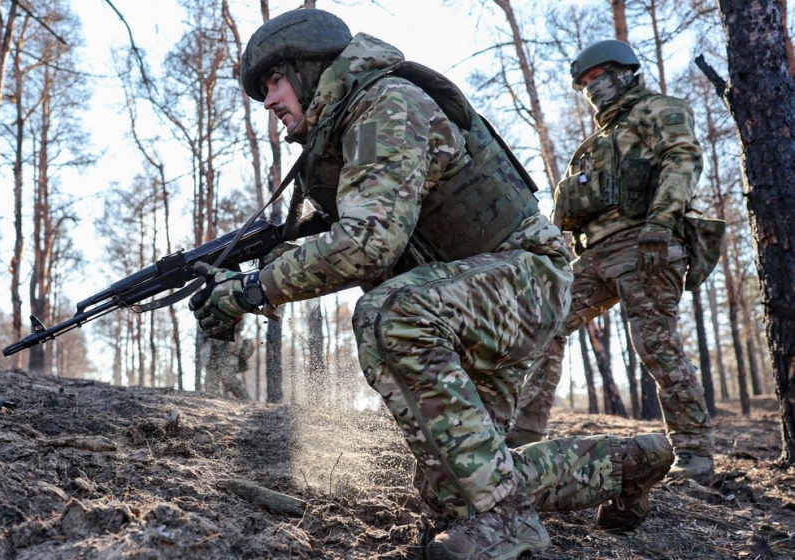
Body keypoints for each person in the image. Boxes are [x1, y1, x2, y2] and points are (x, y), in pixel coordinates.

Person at [188, 9, 673, 559]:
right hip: (475, 299)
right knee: (457, 487)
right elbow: (369, 243)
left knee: (387, 312)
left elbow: (368, 246)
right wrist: (259, 274)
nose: (269, 101)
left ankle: (509, 521)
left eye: (274, 82)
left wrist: (252, 289)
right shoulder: (344, 134)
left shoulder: (385, 104)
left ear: (307, 69)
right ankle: (634, 461)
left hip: (525, 280)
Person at [505, 39, 714, 485]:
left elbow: (683, 158)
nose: (591, 89)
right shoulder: (594, 144)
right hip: (594, 255)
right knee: (546, 324)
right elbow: (565, 212)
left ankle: (695, 456)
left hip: (646, 244)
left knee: (655, 344)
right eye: (584, 84)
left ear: (624, 72)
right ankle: (522, 437)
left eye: (597, 77)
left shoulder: (657, 110)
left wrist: (661, 224)